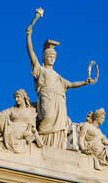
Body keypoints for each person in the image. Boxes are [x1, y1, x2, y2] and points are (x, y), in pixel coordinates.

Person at [26, 9, 97, 148]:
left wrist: (85, 82)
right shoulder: (40, 69)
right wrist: (29, 36)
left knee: (59, 125)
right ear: (45, 58)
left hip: (59, 101)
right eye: (49, 57)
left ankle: (53, 147)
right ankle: (36, 139)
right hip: (47, 98)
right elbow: (31, 52)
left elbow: (70, 84)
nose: (52, 59)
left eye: (54, 57)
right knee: (47, 119)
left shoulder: (58, 76)